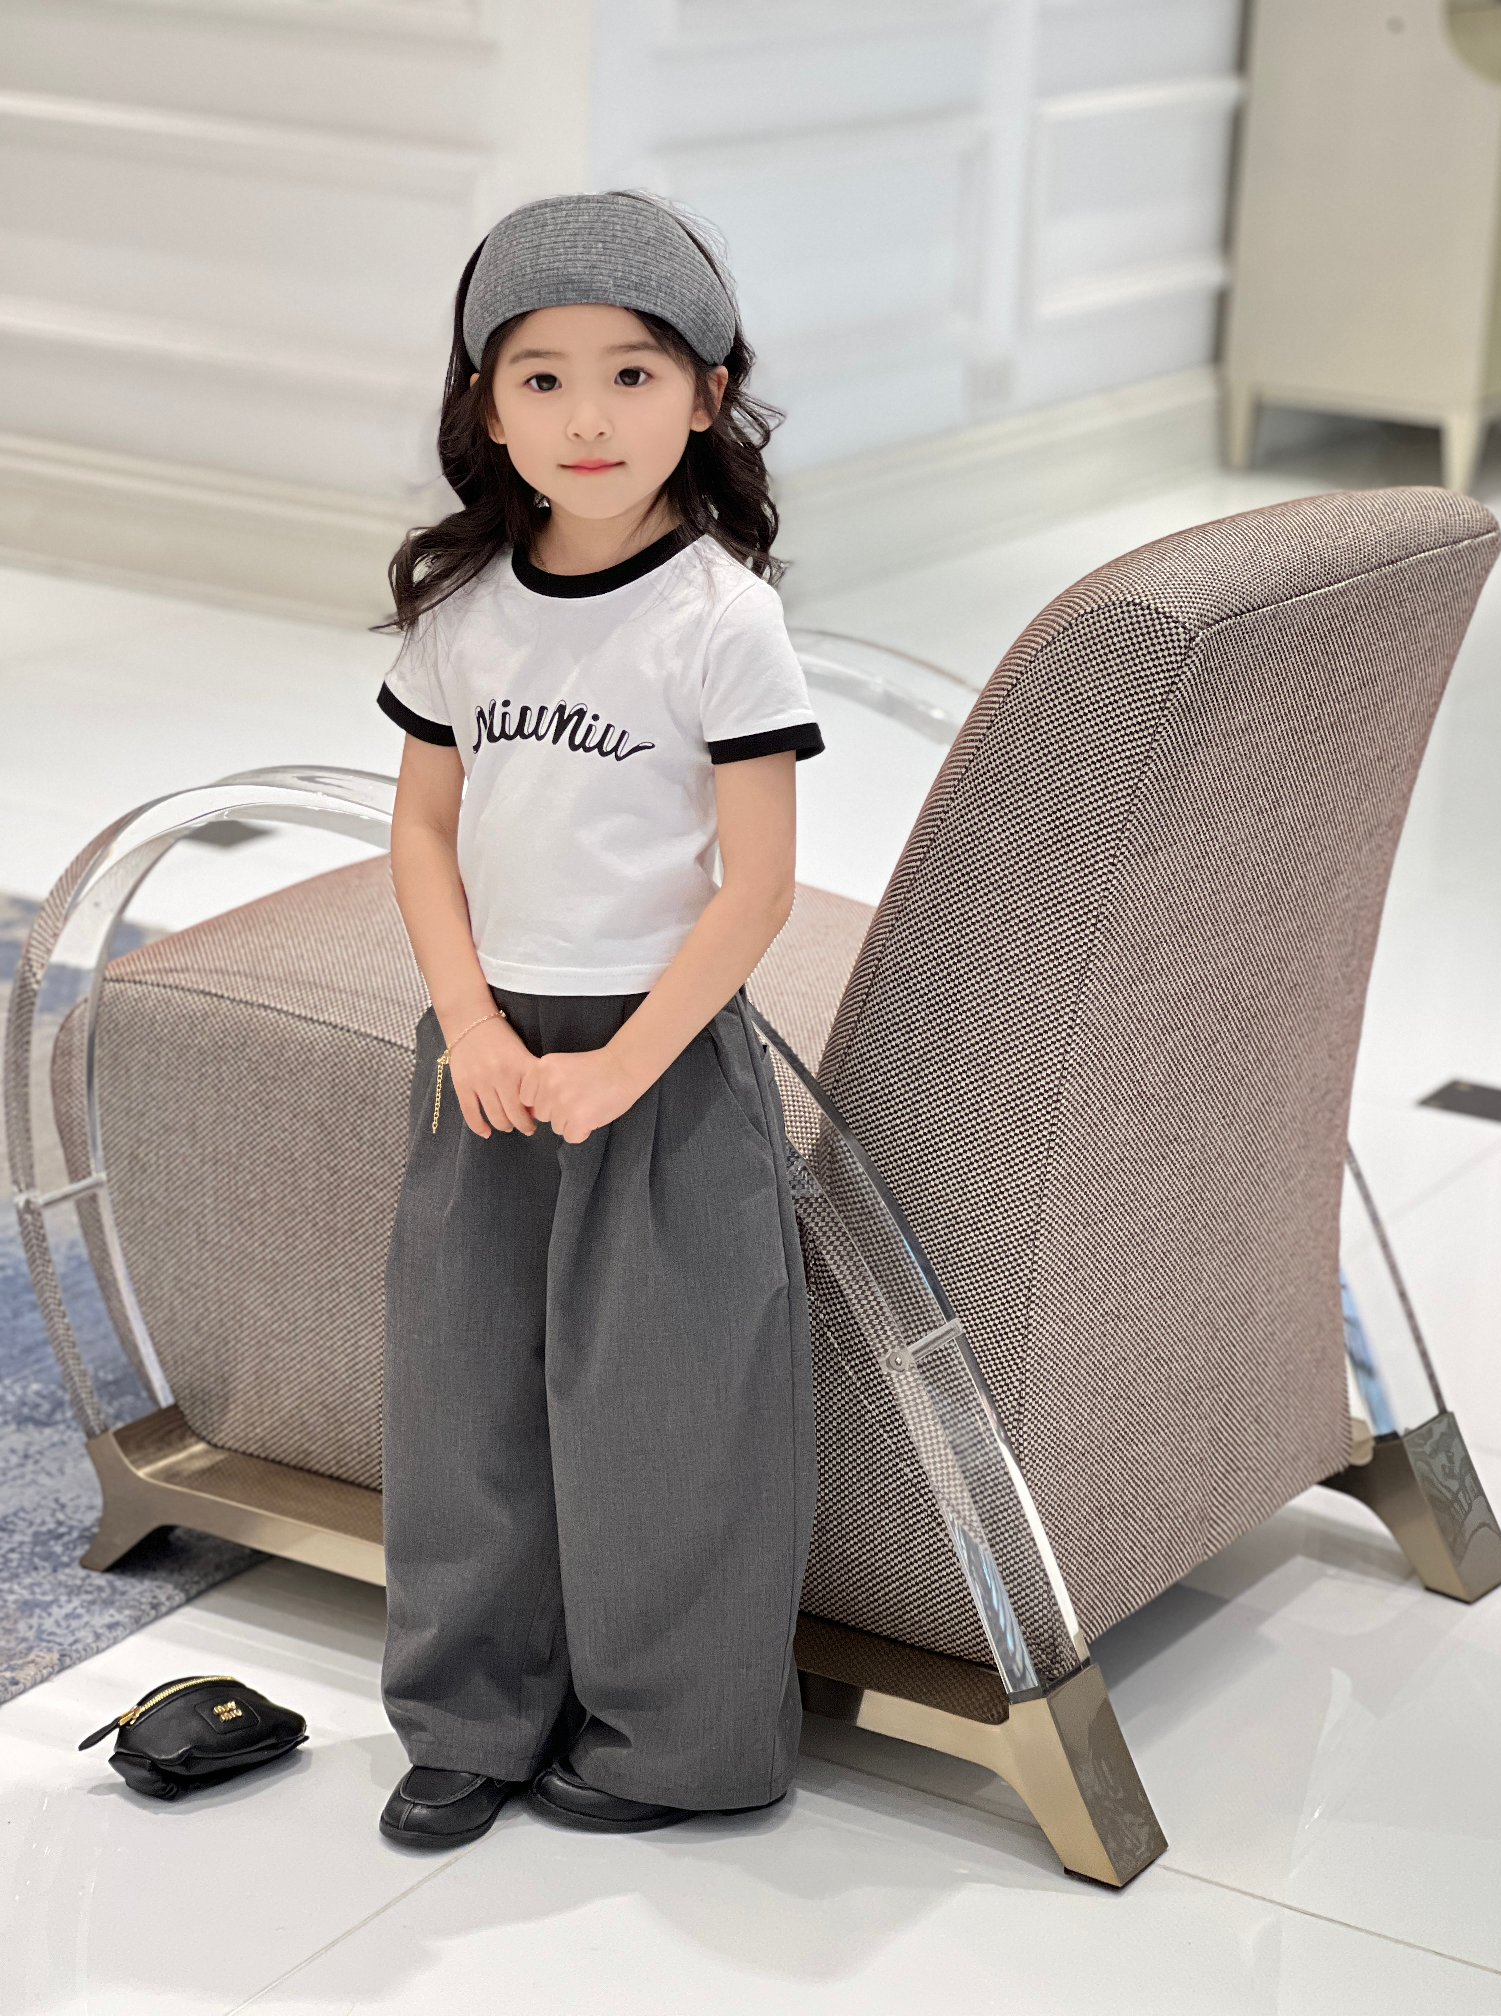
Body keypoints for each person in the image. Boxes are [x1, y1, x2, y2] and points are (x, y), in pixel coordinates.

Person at [371, 189, 824, 1847]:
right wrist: (475, 1029)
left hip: (662, 1054)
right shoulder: (464, 609)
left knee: (671, 1409)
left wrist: (624, 1067)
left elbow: (757, 888)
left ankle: (676, 1743)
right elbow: (422, 832)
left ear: (708, 394)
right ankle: (467, 1715)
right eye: (541, 377)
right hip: (484, 1053)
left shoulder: (722, 620)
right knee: (462, 1393)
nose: (588, 417)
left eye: (633, 374)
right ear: (484, 406)